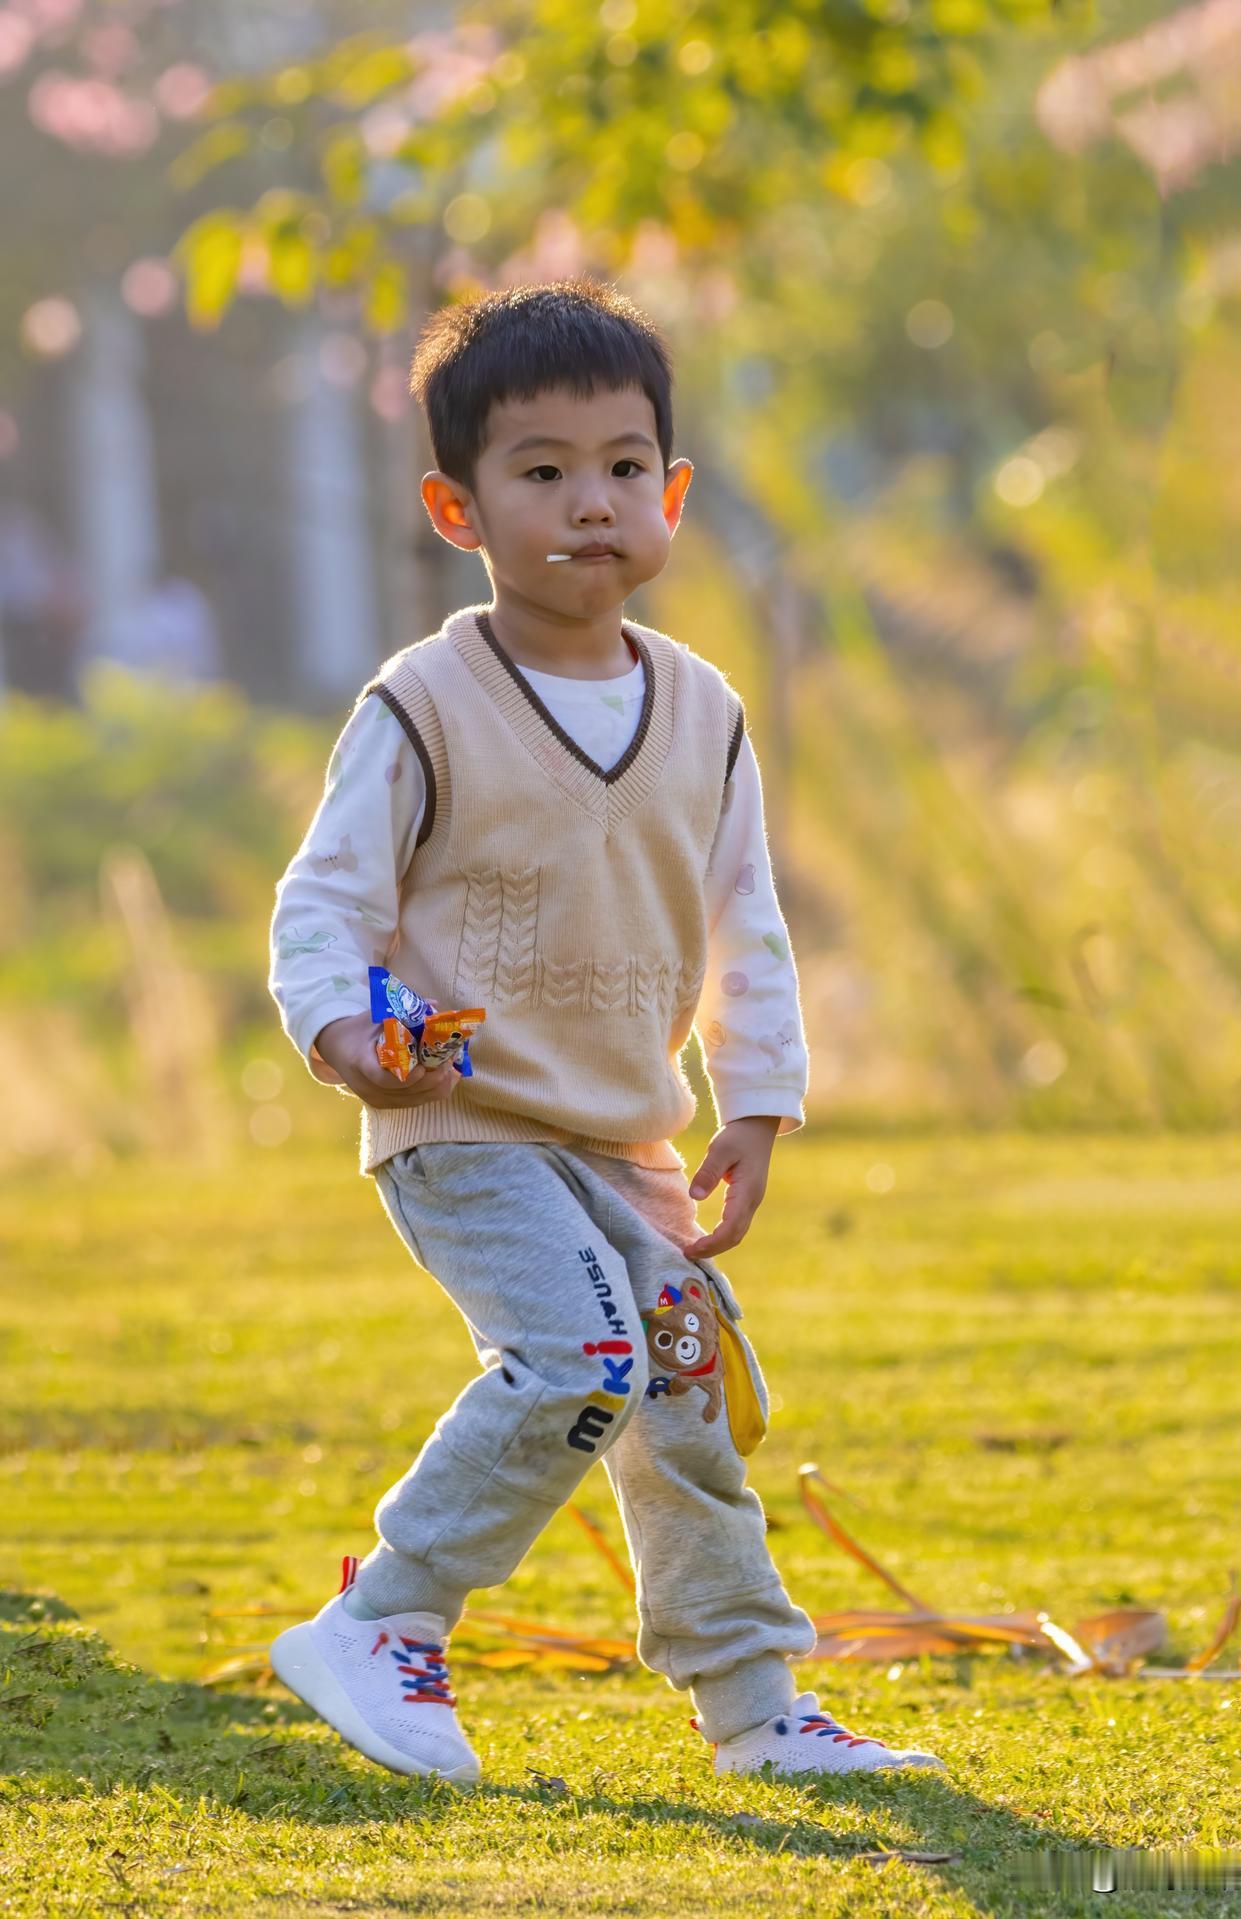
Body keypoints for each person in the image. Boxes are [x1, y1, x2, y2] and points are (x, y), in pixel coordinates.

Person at [266, 278, 945, 1788]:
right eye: (543, 470)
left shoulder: (702, 710)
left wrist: (755, 1101)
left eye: (625, 466)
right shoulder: (424, 706)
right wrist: (345, 1036)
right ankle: (385, 1618)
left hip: (627, 1135)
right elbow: (321, 906)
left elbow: (744, 923)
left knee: (686, 1395)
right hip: (467, 1126)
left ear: (674, 492)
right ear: (458, 508)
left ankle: (756, 1705)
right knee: (578, 1352)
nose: (592, 502)